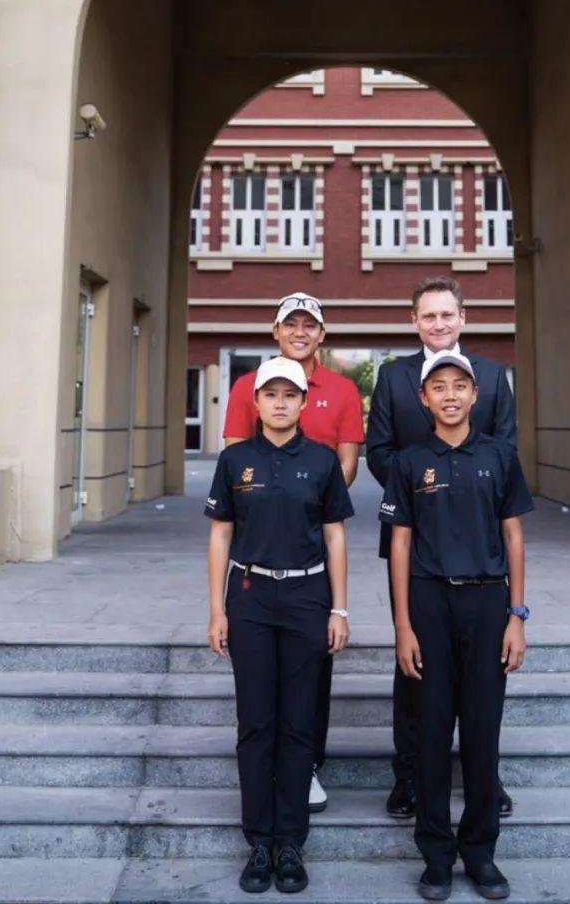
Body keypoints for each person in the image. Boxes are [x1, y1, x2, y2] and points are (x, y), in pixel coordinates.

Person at [380, 351, 532, 902]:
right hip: (429, 603)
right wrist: (403, 626)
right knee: (431, 730)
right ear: (424, 399)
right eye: (439, 387)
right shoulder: (408, 462)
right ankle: (437, 856)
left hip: (488, 602)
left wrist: (517, 616)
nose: (450, 395)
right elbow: (400, 546)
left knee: (483, 731)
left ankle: (481, 852)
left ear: (475, 395)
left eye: (459, 386)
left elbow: (513, 536)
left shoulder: (499, 456)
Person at [365, 276, 517, 819]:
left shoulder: (493, 377)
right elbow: (379, 451)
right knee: (414, 662)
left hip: (479, 545)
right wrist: (426, 485)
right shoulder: (393, 377)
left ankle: (485, 778)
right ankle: (408, 775)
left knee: (483, 671)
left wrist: (461, 487)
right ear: (414, 321)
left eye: (447, 314)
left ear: (463, 318)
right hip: (414, 538)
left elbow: (505, 453)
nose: (438, 323)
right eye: (428, 315)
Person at [207, 355, 353, 895]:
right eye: (271, 395)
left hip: (306, 596)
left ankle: (291, 842)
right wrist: (217, 609)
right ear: (256, 401)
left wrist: (339, 609)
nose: (280, 403)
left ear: (302, 402)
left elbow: (335, 536)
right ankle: (259, 841)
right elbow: (221, 534)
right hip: (249, 596)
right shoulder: (235, 460)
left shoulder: (321, 461)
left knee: (297, 723)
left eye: (290, 395)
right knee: (256, 723)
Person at [223, 291, 364, 813]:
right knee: (261, 677)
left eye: (310, 325)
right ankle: (264, 770)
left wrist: (313, 498)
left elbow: (347, 462)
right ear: (276, 332)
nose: (300, 332)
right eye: (291, 324)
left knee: (312, 667)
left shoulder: (343, 390)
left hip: (315, 534)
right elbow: (237, 460)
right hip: (262, 544)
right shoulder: (247, 386)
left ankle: (306, 767)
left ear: (321, 335)